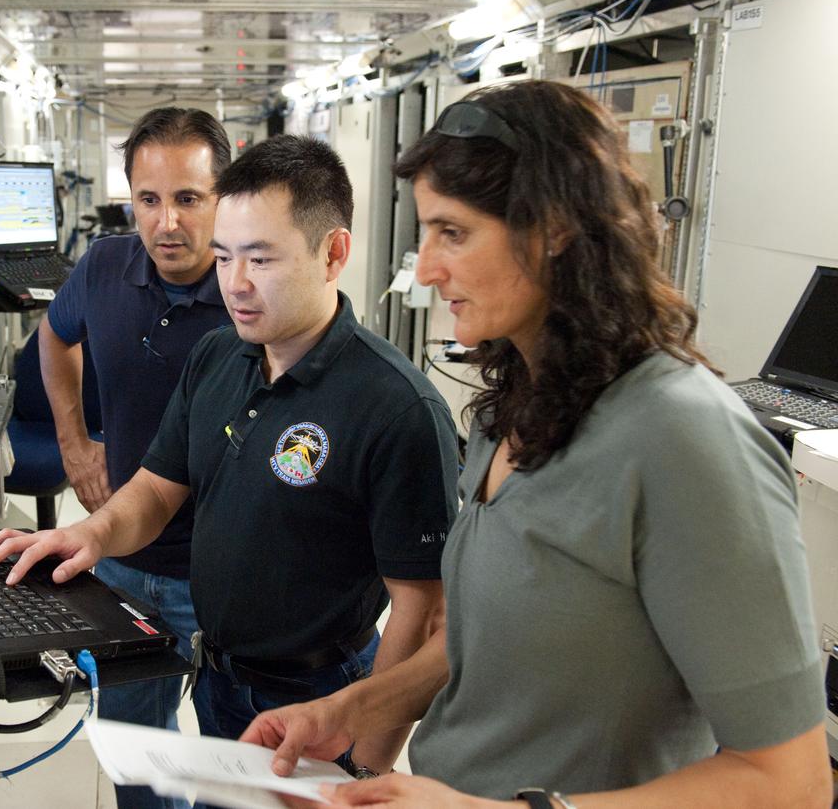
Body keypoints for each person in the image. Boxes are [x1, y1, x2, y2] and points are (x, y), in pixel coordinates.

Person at [241, 80, 832, 808]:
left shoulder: (683, 437)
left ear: (554, 227)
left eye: (452, 232)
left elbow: (789, 781)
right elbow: (478, 642)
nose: (424, 268)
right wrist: (352, 708)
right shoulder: (509, 410)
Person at [0, 135, 459, 779]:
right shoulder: (218, 357)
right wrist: (88, 535)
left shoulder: (395, 409)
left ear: (333, 252)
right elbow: (154, 490)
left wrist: (365, 764)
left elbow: (420, 607)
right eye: (226, 256)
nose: (235, 285)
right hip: (219, 676)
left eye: (261, 260)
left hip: (322, 697)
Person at [38, 107, 233, 809]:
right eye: (148, 200)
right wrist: (73, 441)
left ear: (224, 197)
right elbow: (55, 336)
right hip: (122, 566)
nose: (167, 222)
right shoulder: (104, 267)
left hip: (222, 582)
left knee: (229, 774)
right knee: (139, 769)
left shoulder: (254, 293)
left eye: (188, 198)